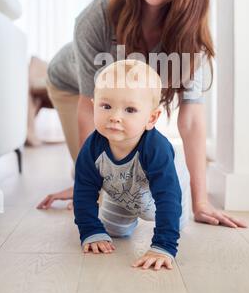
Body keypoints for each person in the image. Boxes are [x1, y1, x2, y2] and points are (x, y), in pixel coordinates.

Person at [37, 0, 246, 229]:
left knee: (130, 163)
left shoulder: (191, 38)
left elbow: (191, 118)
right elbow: (88, 104)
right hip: (71, 88)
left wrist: (200, 200)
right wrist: (87, 186)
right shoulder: (99, 15)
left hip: (115, 100)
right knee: (100, 169)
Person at [74, 59, 186, 270]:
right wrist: (89, 230)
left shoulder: (156, 149)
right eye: (106, 106)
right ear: (93, 106)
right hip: (121, 193)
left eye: (130, 110)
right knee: (113, 231)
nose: (115, 117)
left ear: (151, 118)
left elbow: (168, 197)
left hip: (161, 192)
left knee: (176, 220)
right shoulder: (91, 149)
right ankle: (119, 220)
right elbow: (83, 191)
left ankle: (169, 229)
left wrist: (164, 246)